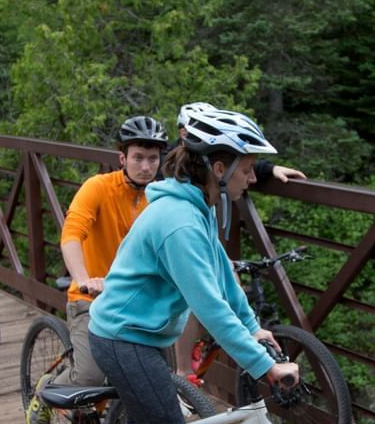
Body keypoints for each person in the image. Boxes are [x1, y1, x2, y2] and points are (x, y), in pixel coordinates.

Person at [83, 104, 302, 424]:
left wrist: (254, 328)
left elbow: (223, 276)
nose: (252, 179)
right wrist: (265, 367)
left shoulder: (194, 206)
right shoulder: (179, 222)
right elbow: (208, 306)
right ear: (218, 169)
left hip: (136, 335)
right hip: (124, 339)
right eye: (247, 169)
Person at [57, 113, 305, 388]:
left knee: (139, 405)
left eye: (153, 159)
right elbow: (72, 234)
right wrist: (82, 278)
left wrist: (268, 169)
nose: (146, 166)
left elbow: (221, 267)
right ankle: (48, 393)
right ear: (122, 159)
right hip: (100, 301)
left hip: (146, 312)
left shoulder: (180, 197)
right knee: (90, 378)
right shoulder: (104, 189)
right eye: (138, 157)